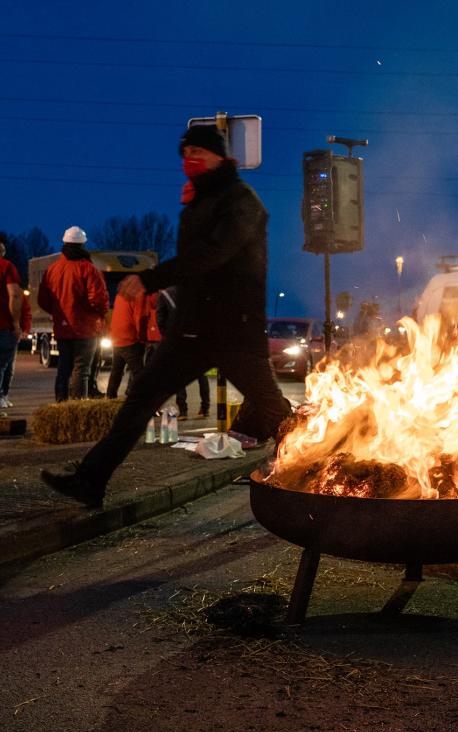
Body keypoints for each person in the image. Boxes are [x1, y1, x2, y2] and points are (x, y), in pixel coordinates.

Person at [41, 124, 292, 506]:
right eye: (185, 153)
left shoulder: (242, 201)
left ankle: (325, 467)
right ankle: (91, 480)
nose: (190, 159)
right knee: (140, 398)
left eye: (198, 152)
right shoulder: (197, 202)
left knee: (273, 410)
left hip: (234, 331)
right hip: (192, 331)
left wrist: (152, 278)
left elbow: (213, 255)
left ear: (218, 155)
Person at [37, 226, 109, 401]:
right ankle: (77, 407)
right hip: (86, 329)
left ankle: (61, 404)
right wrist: (100, 314)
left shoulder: (52, 269)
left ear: (64, 243)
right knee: (81, 369)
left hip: (63, 329)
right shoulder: (88, 268)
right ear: (83, 245)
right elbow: (98, 299)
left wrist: (59, 313)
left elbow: (43, 300)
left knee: (63, 368)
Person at [156, 286, 210, 419]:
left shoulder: (165, 294)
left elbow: (160, 318)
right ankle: (205, 408)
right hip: (198, 339)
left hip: (177, 339)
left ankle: (183, 411)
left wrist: (167, 335)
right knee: (201, 375)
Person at [105, 291, 150, 399]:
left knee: (116, 371)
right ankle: (142, 402)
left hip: (117, 337)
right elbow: (139, 317)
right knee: (139, 373)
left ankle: (110, 398)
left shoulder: (121, 294)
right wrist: (142, 337)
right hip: (130, 337)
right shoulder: (139, 294)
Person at [0, 239, 23, 409]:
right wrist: (16, 323)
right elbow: (14, 295)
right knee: (3, 366)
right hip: (3, 326)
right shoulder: (7, 267)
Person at [1, 289, 31, 407]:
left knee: (9, 368)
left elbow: (26, 312)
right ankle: (2, 395)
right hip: (9, 332)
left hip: (11, 333)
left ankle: (4, 395)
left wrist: (25, 329)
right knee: (4, 367)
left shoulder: (18, 294)